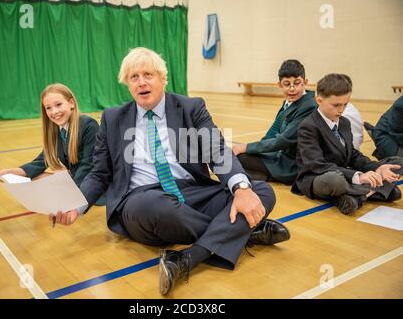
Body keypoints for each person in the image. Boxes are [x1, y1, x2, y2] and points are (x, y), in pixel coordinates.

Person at [52, 47, 290, 295]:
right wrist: (75, 204)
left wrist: (241, 188)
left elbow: (217, 149)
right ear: (127, 84)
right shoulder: (113, 118)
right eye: (134, 77)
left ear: (163, 78)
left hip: (192, 192)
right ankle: (247, 230)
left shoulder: (191, 107)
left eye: (148, 74)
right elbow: (99, 173)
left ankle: (187, 258)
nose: (141, 82)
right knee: (158, 209)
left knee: (260, 190)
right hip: (141, 199)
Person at [295, 73, 403, 215]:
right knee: (334, 180)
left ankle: (354, 195)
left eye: (345, 104)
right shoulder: (308, 126)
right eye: (336, 105)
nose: (341, 110)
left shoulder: (344, 122)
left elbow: (352, 154)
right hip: (318, 177)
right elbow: (317, 165)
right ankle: (371, 191)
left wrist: (378, 168)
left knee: (397, 162)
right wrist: (358, 176)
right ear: (319, 101)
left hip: (344, 172)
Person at [0, 83, 99, 187]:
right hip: (75, 180)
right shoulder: (57, 130)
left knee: (50, 180)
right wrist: (11, 172)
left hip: (92, 185)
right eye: (48, 108)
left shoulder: (88, 125)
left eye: (58, 105)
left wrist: (73, 191)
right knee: (33, 177)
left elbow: (88, 165)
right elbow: (42, 161)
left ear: (71, 103)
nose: (54, 111)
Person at [232, 60, 317, 184]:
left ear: (305, 83)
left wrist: (246, 147)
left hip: (292, 165)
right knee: (237, 156)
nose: (292, 89)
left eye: (297, 83)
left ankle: (263, 176)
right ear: (280, 85)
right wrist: (253, 150)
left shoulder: (308, 106)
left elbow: (283, 141)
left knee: (240, 158)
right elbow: (271, 134)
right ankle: (257, 175)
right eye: (287, 84)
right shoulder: (289, 102)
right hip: (280, 155)